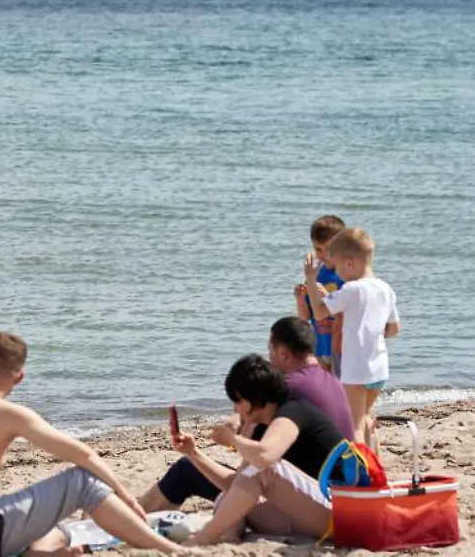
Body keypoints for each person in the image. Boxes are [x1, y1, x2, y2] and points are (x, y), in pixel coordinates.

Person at [0, 332, 185, 557]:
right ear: (20, 376)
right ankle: (169, 549)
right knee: (83, 483)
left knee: (61, 531)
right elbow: (84, 455)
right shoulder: (6, 412)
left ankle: (36, 554)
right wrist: (128, 499)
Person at [137, 316, 354, 514]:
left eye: (270, 350)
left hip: (310, 499)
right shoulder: (331, 381)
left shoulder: (286, 393)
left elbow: (246, 475)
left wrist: (233, 435)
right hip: (336, 487)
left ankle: (138, 514)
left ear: (283, 353)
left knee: (186, 471)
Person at [177, 355, 345, 545]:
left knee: (263, 468)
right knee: (229, 498)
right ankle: (226, 541)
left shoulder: (292, 412)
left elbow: (266, 456)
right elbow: (238, 485)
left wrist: (233, 438)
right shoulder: (266, 424)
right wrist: (193, 453)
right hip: (315, 512)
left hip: (342, 513)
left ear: (252, 399)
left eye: (238, 401)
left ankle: (202, 539)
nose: (235, 408)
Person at [305, 227, 400, 450]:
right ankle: (375, 465)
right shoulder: (385, 288)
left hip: (356, 369)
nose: (337, 273)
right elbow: (394, 328)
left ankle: (363, 474)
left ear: (350, 262)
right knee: (366, 418)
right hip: (379, 368)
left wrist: (310, 280)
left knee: (353, 426)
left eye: (337, 267)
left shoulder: (351, 289)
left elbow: (319, 313)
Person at [294, 215, 346, 377]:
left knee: (344, 392)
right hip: (321, 347)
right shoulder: (315, 275)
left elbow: (352, 312)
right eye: (318, 249)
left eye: (328, 249)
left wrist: (329, 299)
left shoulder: (347, 274)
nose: (323, 255)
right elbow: (305, 318)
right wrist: (300, 299)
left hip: (343, 348)